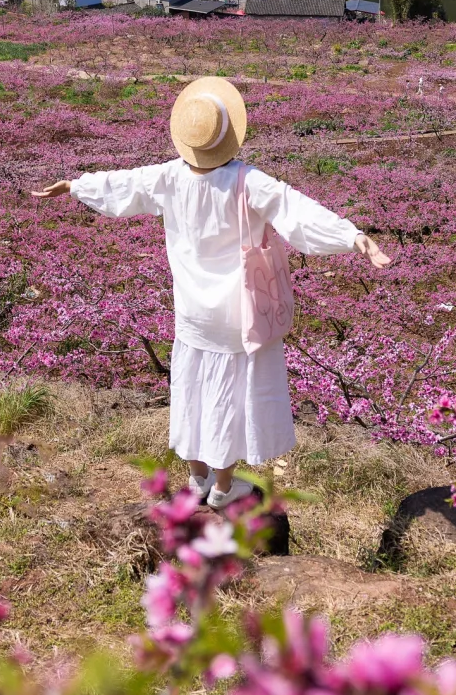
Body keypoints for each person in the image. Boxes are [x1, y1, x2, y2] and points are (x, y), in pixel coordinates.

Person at [31, 76, 391, 510]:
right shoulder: (246, 181)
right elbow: (297, 211)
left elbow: (121, 185)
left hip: (192, 312)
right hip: (238, 312)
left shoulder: (168, 177)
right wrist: (354, 238)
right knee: (227, 396)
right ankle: (224, 487)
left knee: (193, 389)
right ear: (228, 136)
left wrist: (75, 185)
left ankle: (197, 479)